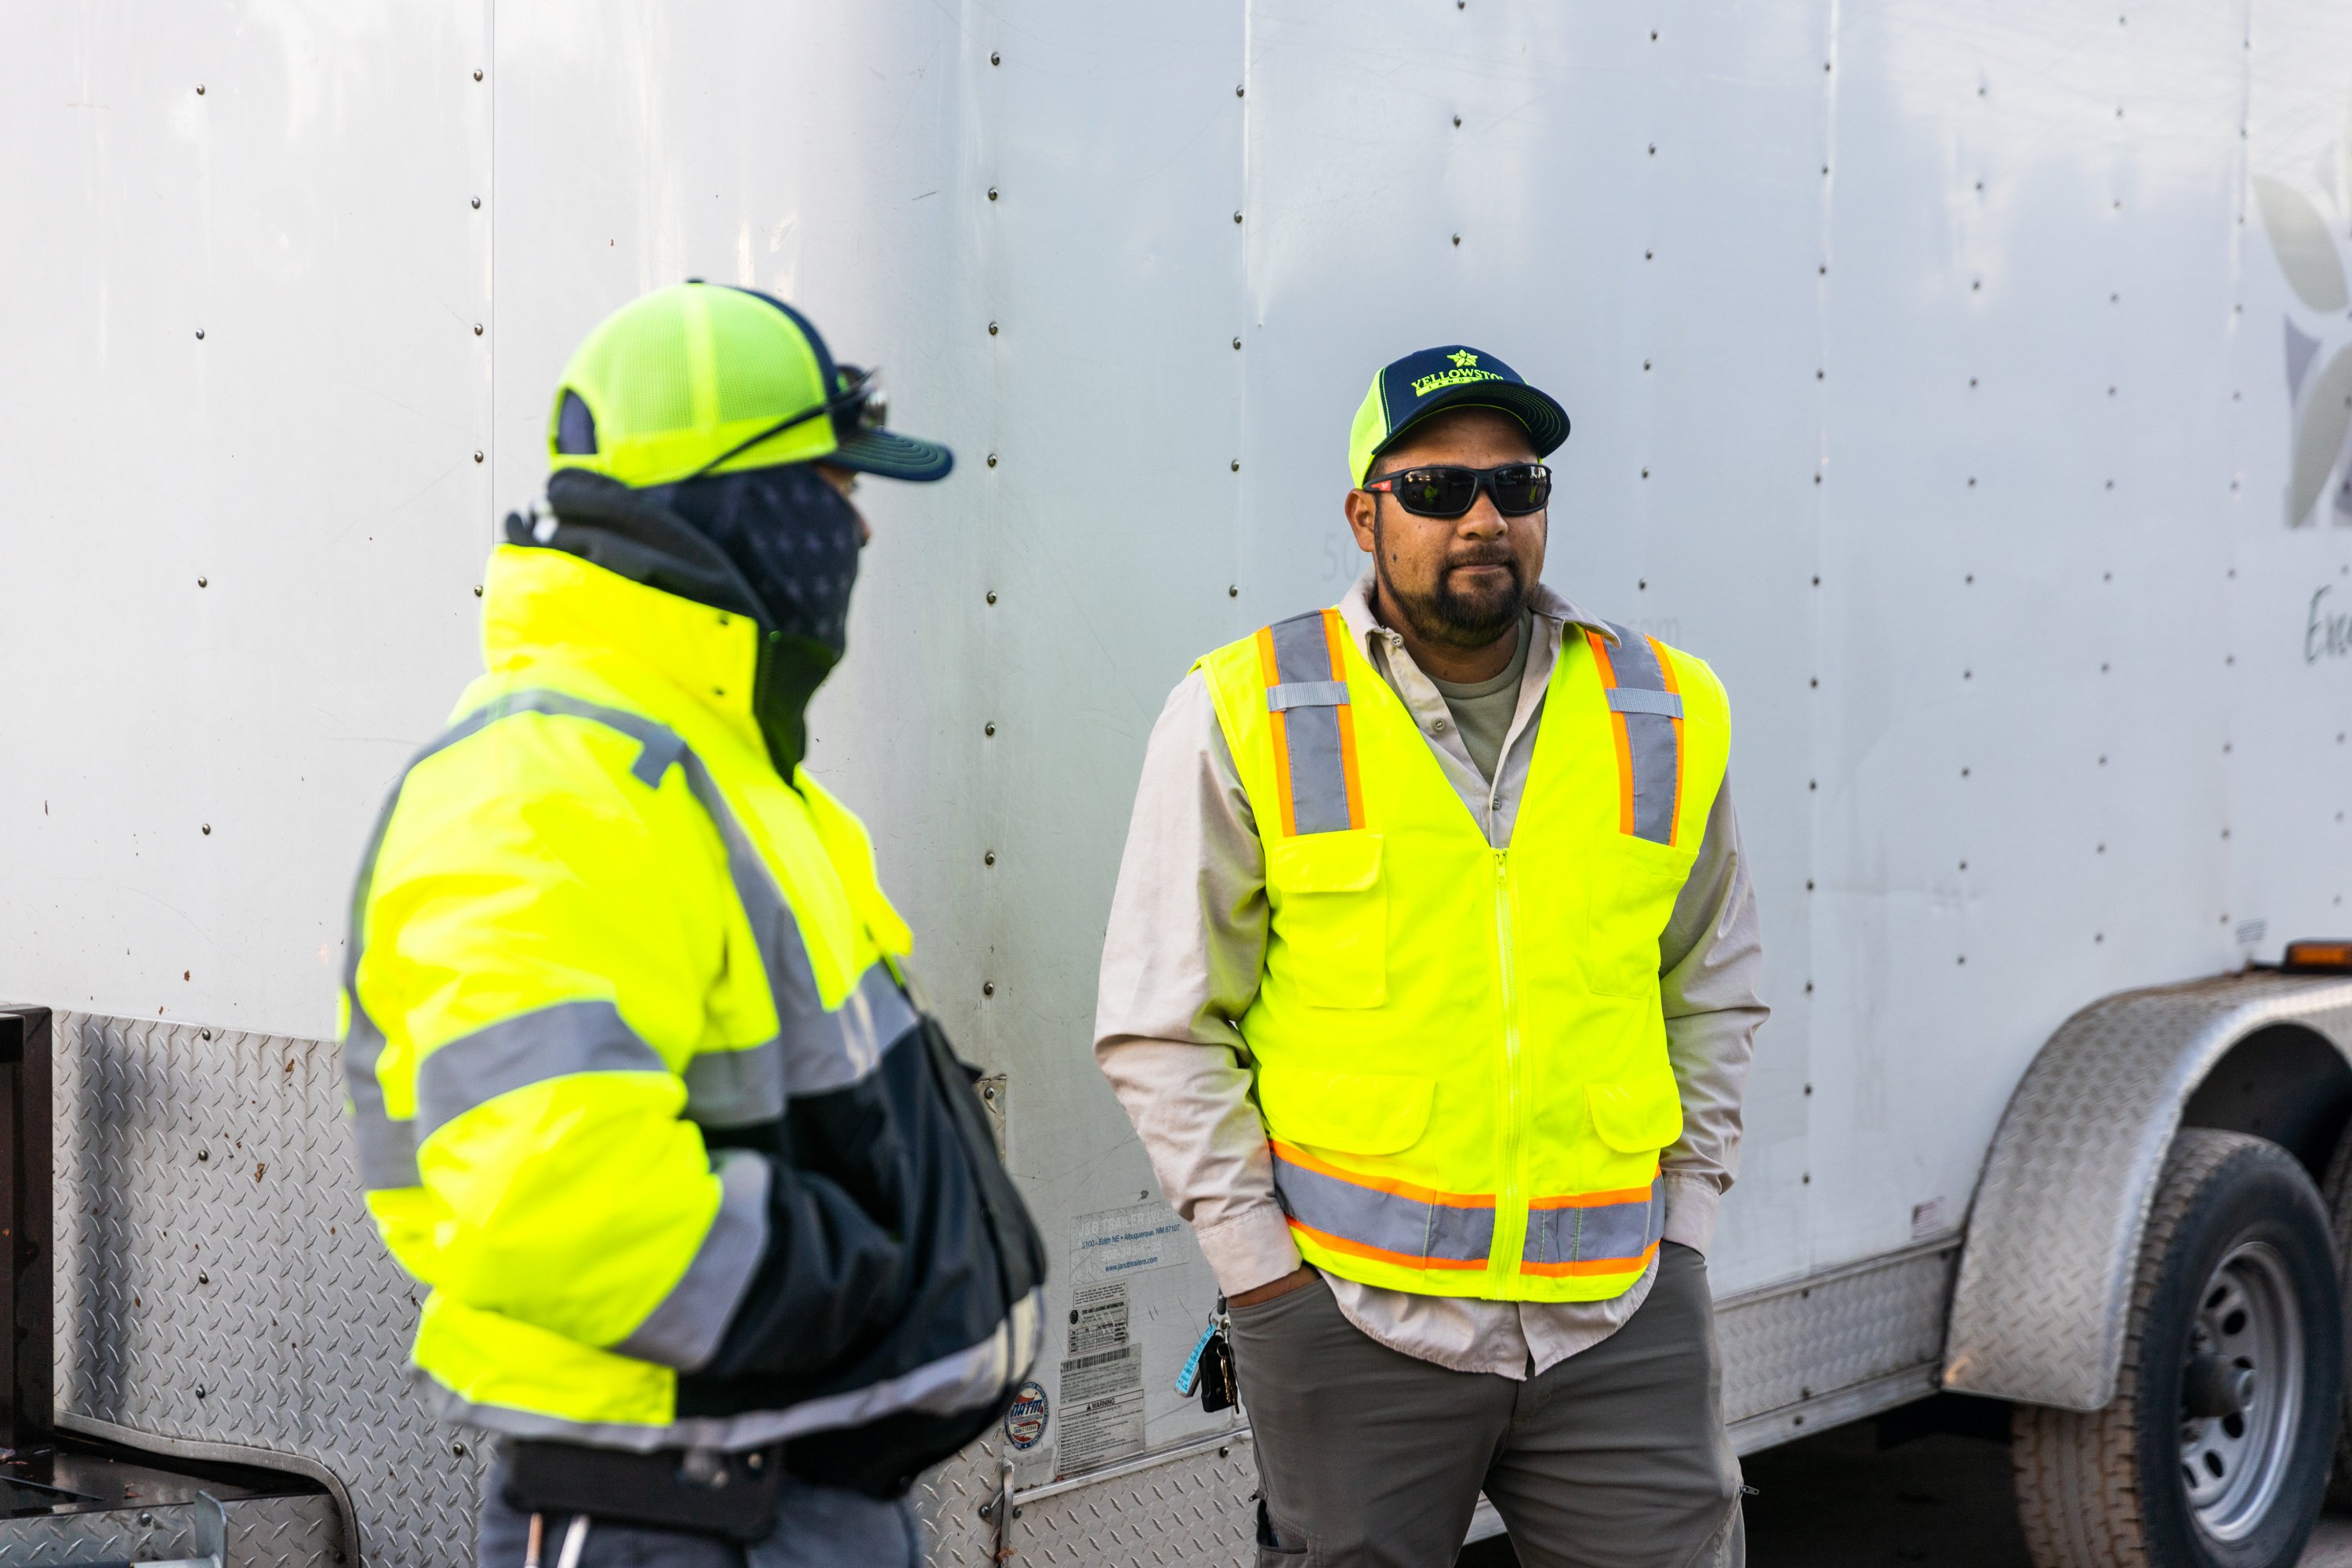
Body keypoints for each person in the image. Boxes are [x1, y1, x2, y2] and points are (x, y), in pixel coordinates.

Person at [339, 282, 1044, 1567]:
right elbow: (549, 1193)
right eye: (834, 486)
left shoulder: (730, 775)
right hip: (674, 1521)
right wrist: (867, 1281)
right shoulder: (548, 781)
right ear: (738, 501)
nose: (858, 530)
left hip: (782, 1502)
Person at [1094, 345, 1766, 1567]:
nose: (1485, 518)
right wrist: (1263, 1282)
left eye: (1518, 484)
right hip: (1355, 1324)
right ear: (1367, 517)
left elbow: (1711, 985)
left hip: (1621, 1318)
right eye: (1438, 490)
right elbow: (1164, 1022)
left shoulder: (1661, 706)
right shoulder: (1250, 704)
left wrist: (1687, 1234)